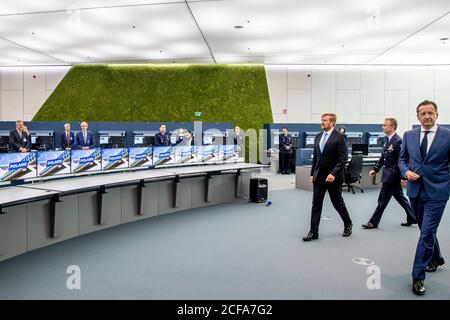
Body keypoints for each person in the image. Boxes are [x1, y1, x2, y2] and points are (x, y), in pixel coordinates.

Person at [399, 100, 450, 296]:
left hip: (438, 192)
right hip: (415, 190)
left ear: (437, 114)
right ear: (418, 116)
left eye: (431, 113)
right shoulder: (409, 135)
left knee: (427, 232)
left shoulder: (447, 135)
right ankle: (436, 258)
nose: (427, 116)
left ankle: (417, 275)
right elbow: (402, 159)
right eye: (423, 113)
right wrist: (406, 172)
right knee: (424, 228)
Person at [303, 113, 353, 241]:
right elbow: (316, 157)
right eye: (321, 120)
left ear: (332, 123)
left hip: (333, 178)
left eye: (325, 120)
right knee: (316, 204)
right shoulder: (318, 136)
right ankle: (313, 232)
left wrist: (333, 173)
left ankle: (348, 223)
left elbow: (343, 159)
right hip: (319, 177)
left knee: (337, 203)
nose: (322, 122)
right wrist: (312, 173)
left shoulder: (340, 137)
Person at [362, 118, 417, 229]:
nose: (382, 127)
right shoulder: (387, 140)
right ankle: (413, 217)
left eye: (385, 125)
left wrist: (403, 176)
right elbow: (383, 157)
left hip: (392, 175)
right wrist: (376, 169)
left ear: (392, 127)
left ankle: (373, 222)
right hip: (389, 174)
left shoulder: (398, 141)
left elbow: (402, 160)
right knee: (400, 198)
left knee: (382, 199)